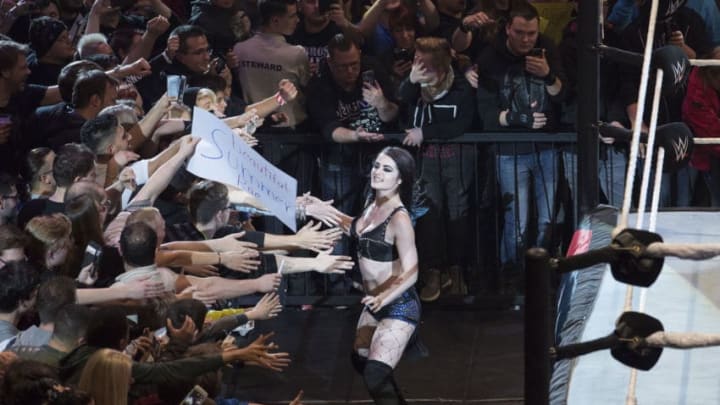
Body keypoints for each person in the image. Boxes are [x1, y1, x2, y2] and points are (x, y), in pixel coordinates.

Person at [340, 146, 419, 405]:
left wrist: (384, 299)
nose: (378, 172)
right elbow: (354, 227)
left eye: (387, 169)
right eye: (376, 166)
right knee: (361, 360)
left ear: (400, 179)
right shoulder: (370, 204)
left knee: (375, 375)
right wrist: (320, 210)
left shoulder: (399, 218)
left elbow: (412, 271)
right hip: (373, 302)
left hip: (397, 304)